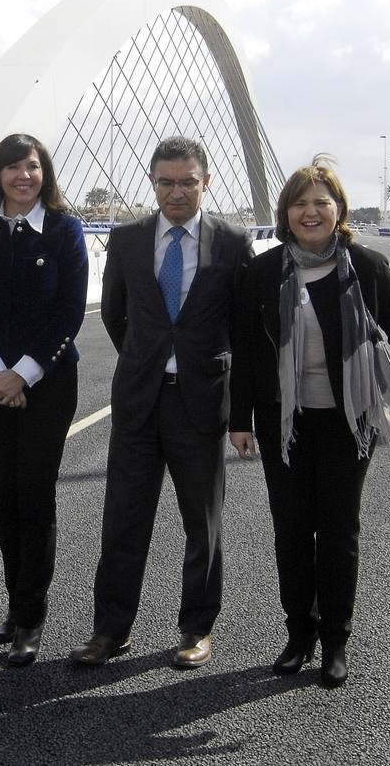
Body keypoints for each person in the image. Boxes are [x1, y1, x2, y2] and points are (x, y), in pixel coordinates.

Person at [229, 156, 390, 688]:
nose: (310, 211)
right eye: (300, 203)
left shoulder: (367, 266)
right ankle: (299, 633)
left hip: (348, 420)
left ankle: (335, 639)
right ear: (285, 213)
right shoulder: (263, 272)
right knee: (291, 530)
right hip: (281, 423)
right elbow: (247, 351)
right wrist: (239, 420)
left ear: (338, 210)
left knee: (338, 530)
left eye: (321, 202)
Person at [71, 135, 253, 670]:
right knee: (123, 519)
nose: (177, 192)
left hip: (201, 401)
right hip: (139, 401)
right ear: (153, 183)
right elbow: (115, 314)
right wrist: (148, 355)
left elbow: (243, 330)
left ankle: (197, 629)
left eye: (187, 182)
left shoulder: (232, 242)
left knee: (203, 523)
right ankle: (110, 631)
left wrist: (241, 413)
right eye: (167, 182)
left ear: (206, 182)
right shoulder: (127, 240)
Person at [0, 134, 88, 667]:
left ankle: (31, 617)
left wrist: (23, 374)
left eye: (31, 166)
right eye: (11, 167)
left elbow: (69, 313)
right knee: (4, 496)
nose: (22, 176)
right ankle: (15, 605)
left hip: (47, 382)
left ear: (44, 173)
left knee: (35, 494)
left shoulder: (63, 230)